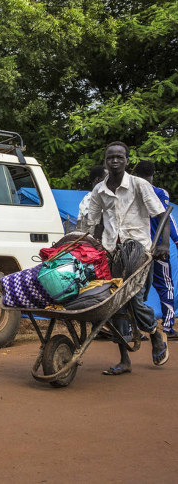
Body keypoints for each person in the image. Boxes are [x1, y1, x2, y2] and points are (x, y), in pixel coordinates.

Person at [87, 142, 171, 376]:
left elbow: (161, 214)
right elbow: (94, 222)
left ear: (126, 160)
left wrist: (163, 243)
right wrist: (93, 250)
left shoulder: (139, 184)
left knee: (133, 299)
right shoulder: (99, 190)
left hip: (139, 252)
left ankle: (154, 333)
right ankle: (124, 359)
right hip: (112, 253)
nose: (115, 161)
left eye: (119, 157)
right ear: (105, 161)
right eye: (110, 157)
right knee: (114, 304)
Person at [133, 160, 178, 341]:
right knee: (165, 286)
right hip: (158, 248)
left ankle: (134, 327)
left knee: (134, 287)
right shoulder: (159, 193)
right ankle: (167, 327)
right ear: (152, 175)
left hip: (135, 250)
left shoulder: (131, 194)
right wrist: (174, 240)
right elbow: (167, 219)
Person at [76, 165, 107, 231]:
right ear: (98, 180)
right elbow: (90, 221)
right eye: (108, 178)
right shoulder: (90, 199)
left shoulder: (86, 198)